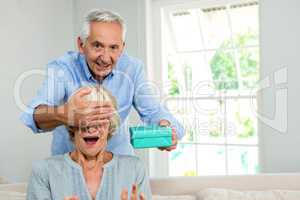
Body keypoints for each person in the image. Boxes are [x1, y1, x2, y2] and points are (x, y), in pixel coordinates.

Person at [20, 9, 184, 156]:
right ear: (81, 44)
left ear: (122, 48)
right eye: (97, 46)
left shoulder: (132, 68)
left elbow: (153, 111)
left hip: (118, 162)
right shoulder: (63, 68)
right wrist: (66, 113)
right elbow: (32, 116)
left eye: (113, 48)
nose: (105, 58)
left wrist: (165, 127)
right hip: (69, 166)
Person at [27, 86, 152, 200]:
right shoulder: (43, 171)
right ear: (72, 125)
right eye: (84, 119)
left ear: (110, 125)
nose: (91, 128)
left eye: (99, 120)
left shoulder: (135, 168)